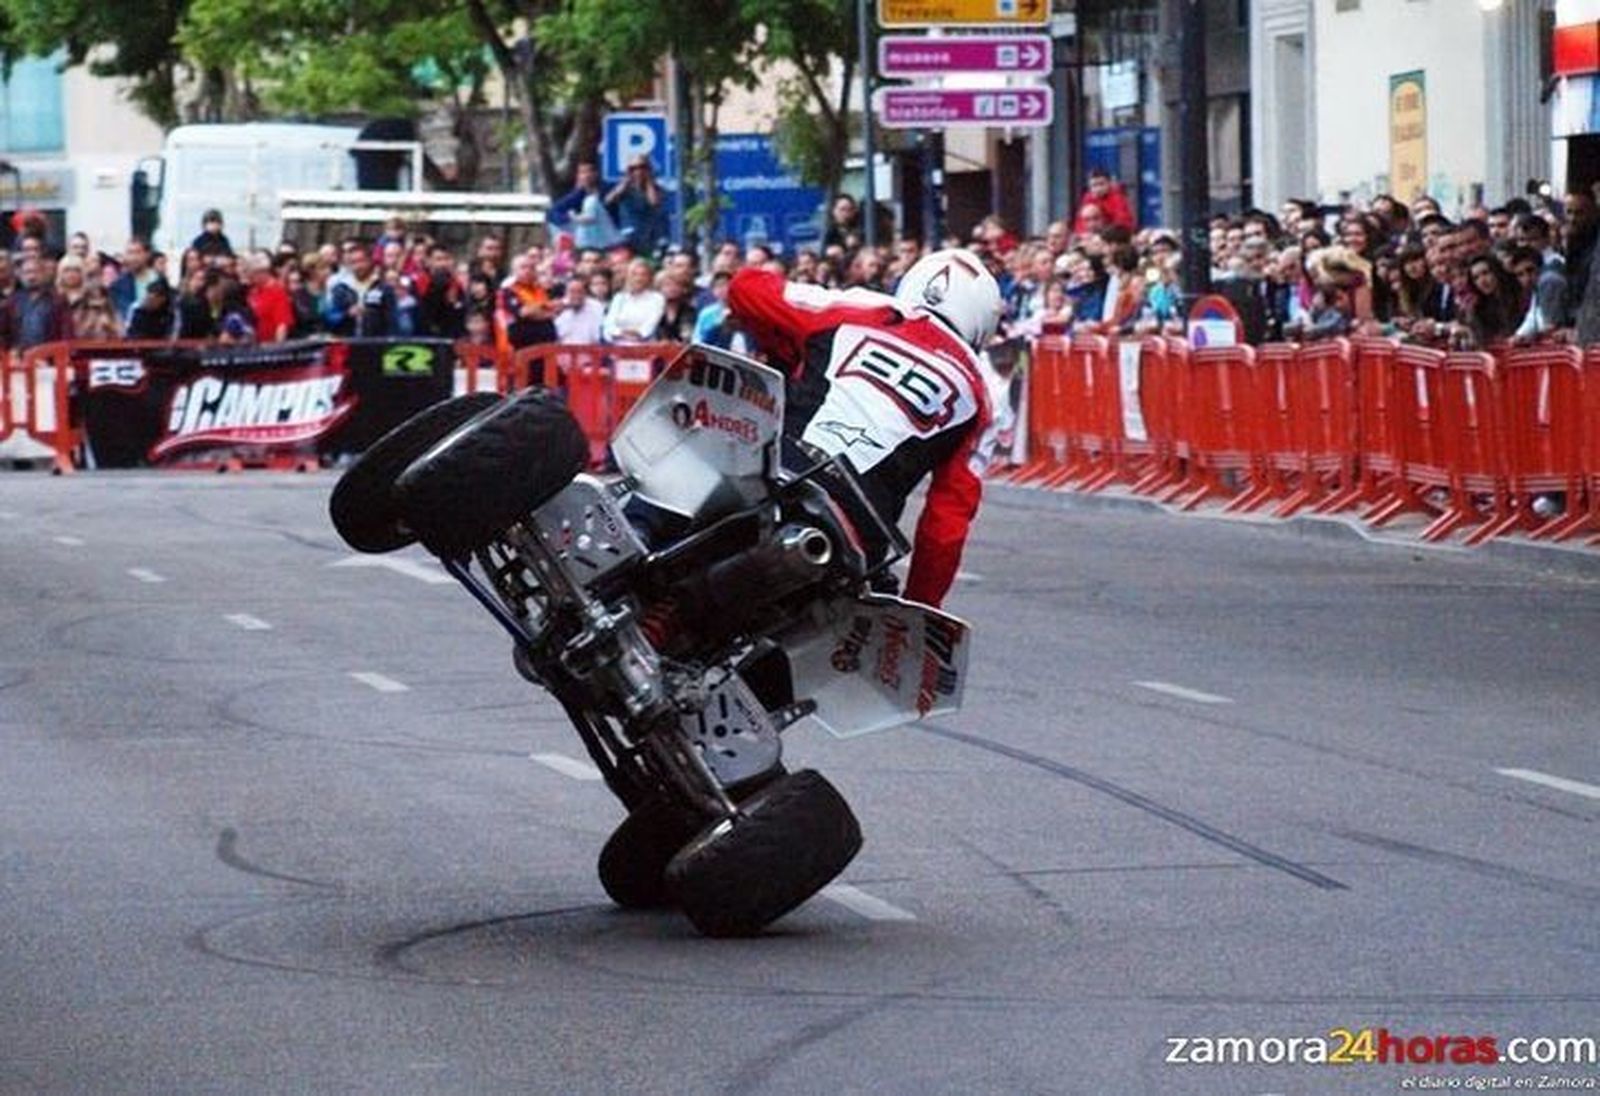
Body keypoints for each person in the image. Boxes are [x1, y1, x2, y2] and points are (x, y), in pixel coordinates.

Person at [727, 248, 1002, 608]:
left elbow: (744, 288)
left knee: (685, 464)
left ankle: (639, 529)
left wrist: (787, 348)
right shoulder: (983, 393)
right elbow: (946, 523)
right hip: (858, 527)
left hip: (777, 466)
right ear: (981, 325)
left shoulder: (868, 307)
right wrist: (921, 604)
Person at [0, 256, 70, 349]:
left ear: (44, 273)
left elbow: (65, 332)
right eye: (27, 272)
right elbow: (4, 333)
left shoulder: (57, 300)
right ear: (21, 275)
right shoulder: (12, 301)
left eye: (35, 272)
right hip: (20, 358)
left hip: (49, 357)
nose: (31, 277)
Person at [606, 156, 669, 257]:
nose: (638, 171)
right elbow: (609, 200)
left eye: (642, 167)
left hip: (650, 235)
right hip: (629, 235)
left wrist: (649, 180)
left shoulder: (657, 189)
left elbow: (654, 202)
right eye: (633, 168)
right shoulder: (625, 189)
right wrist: (627, 179)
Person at [602, 258, 665, 343]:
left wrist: (637, 335)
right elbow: (609, 324)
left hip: (645, 345)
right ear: (628, 276)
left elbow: (650, 325)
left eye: (643, 275)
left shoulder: (657, 298)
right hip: (618, 344)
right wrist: (620, 333)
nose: (639, 278)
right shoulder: (619, 297)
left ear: (649, 277)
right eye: (634, 274)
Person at [245, 252, 295, 342]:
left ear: (263, 272)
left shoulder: (277, 291)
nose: (250, 277)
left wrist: (278, 349)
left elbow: (282, 325)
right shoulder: (253, 292)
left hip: (270, 346)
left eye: (252, 274)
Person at [554, 277, 606, 345]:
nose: (576, 295)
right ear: (566, 294)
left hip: (590, 350)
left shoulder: (596, 307)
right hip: (564, 351)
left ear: (585, 293)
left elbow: (598, 337)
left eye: (579, 292)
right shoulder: (559, 308)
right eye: (572, 292)